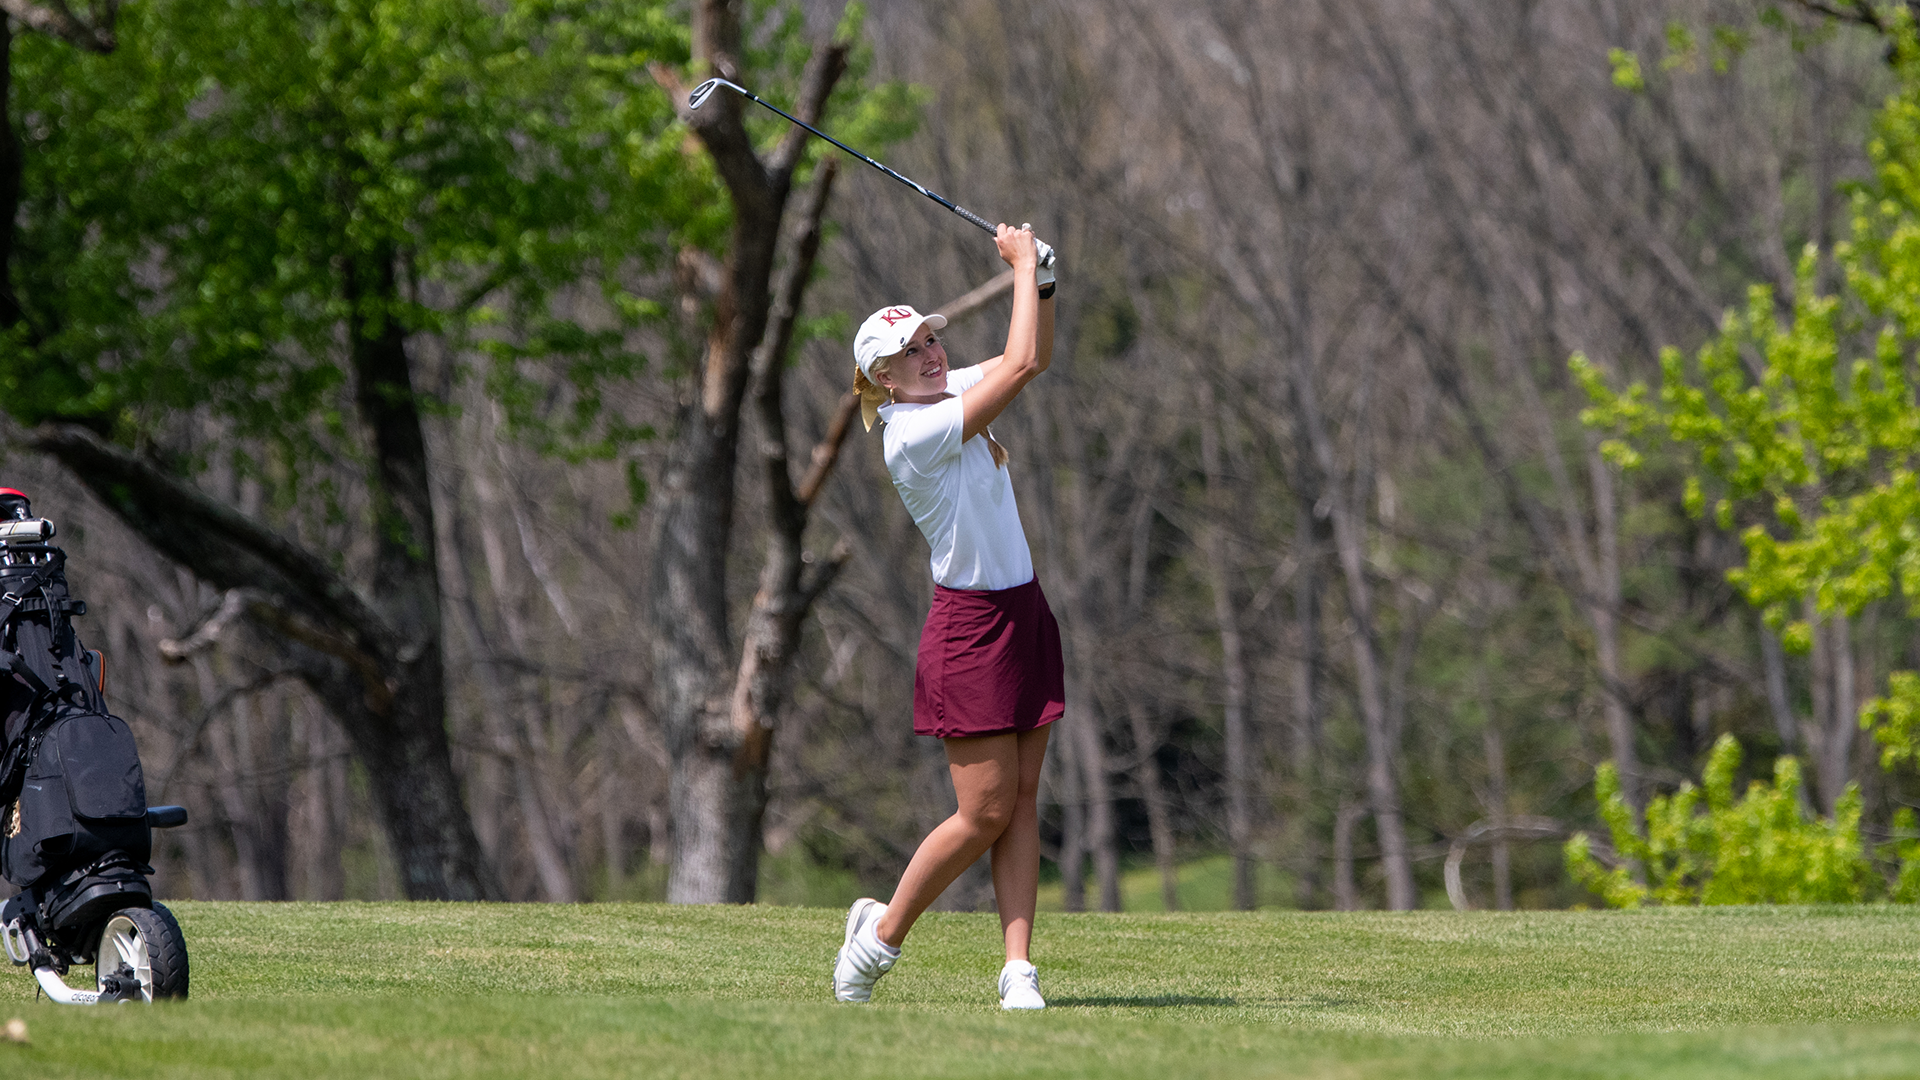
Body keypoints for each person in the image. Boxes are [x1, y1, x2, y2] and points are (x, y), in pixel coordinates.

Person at [833, 224, 1061, 1011]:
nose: (930, 354)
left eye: (931, 338)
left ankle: (1017, 970)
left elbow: (1030, 351)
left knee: (1022, 801)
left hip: (1023, 610)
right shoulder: (913, 432)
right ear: (883, 379)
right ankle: (881, 937)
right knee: (983, 811)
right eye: (911, 352)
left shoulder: (947, 389)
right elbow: (1025, 363)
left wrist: (1044, 288)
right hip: (970, 631)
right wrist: (1023, 267)